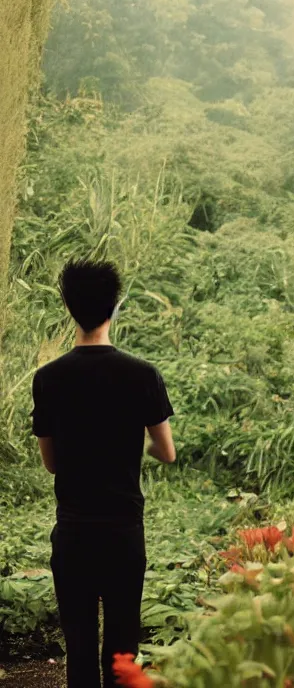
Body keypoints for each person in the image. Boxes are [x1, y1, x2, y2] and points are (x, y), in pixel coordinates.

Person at [31, 259, 176, 688]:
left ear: (70, 309)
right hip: (122, 532)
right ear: (115, 309)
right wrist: (144, 442)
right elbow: (166, 452)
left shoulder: (48, 379)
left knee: (79, 650)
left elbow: (51, 462)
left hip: (73, 531)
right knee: (122, 649)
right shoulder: (142, 374)